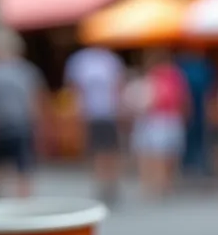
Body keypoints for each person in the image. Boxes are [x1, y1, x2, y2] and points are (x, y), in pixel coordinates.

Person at [0, 28, 46, 198]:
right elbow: (35, 102)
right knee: (23, 171)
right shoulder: (26, 70)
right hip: (20, 127)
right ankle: (23, 211)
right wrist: (38, 128)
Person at [64, 43, 125, 203]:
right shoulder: (81, 60)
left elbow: (118, 86)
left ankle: (110, 183)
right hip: (90, 114)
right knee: (97, 150)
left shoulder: (110, 60)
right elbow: (75, 88)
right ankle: (102, 184)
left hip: (109, 113)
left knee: (111, 150)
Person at [130, 48, 189, 198]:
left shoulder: (170, 77)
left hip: (161, 119)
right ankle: (160, 184)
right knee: (160, 153)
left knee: (160, 154)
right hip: (161, 119)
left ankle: (159, 184)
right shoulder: (169, 77)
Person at [175, 49, 215, 176]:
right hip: (197, 113)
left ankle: (191, 165)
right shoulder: (203, 70)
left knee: (191, 140)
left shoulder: (182, 69)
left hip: (193, 113)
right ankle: (196, 165)